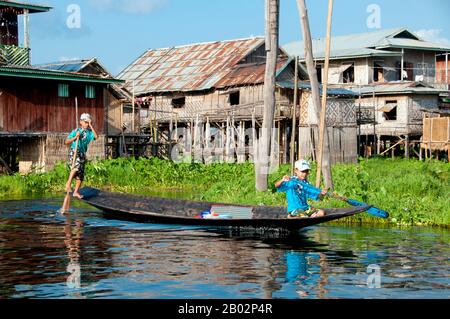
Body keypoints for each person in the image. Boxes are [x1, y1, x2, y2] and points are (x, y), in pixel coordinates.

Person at [65, 113, 98, 199]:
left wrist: (91, 126)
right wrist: (75, 137)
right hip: (75, 151)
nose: (86, 124)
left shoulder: (89, 132)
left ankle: (75, 192)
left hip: (82, 153)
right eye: (85, 122)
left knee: (80, 174)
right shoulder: (76, 131)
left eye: (88, 122)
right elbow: (67, 142)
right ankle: (68, 183)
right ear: (81, 122)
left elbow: (96, 136)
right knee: (76, 166)